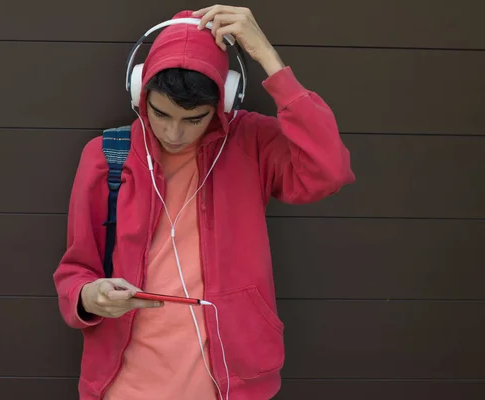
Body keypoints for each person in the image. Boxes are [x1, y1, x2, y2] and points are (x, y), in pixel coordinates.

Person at [53, 5, 355, 400]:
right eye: (160, 113)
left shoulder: (252, 143)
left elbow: (329, 171)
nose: (173, 133)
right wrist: (89, 297)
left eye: (193, 119)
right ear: (138, 90)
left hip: (232, 381)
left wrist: (269, 58)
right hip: (125, 381)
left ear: (224, 102)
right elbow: (76, 269)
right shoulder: (107, 155)